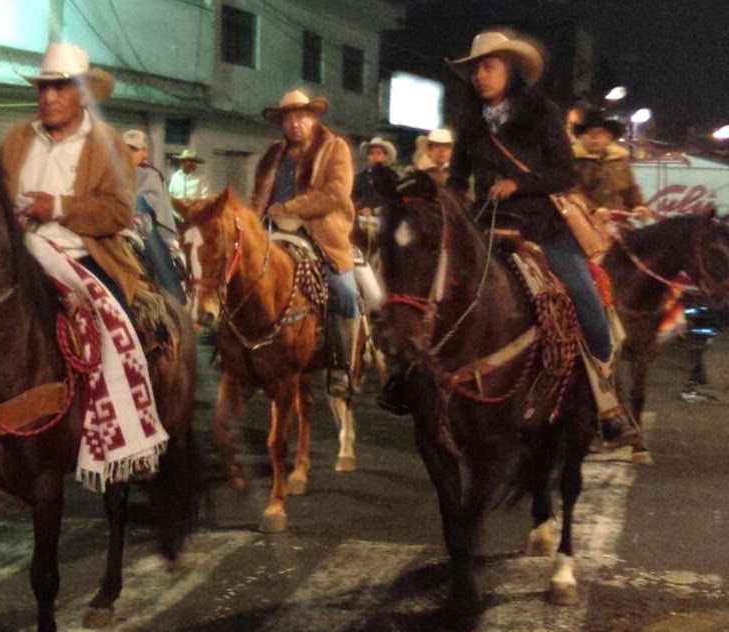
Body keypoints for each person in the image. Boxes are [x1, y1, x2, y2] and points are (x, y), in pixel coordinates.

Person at [382, 31, 639, 445]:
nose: (480, 76)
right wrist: (444, 199)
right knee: (422, 290)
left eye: (489, 66)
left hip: (543, 231)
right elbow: (462, 178)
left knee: (586, 300)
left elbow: (564, 174)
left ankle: (606, 401)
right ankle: (406, 379)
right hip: (485, 230)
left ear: (510, 70)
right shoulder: (470, 121)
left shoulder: (543, 113)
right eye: (475, 69)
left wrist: (517, 185)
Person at [0, 42, 144, 315]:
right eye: (44, 87)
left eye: (60, 87)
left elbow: (120, 211)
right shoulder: (17, 138)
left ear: (84, 94)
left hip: (82, 259)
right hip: (17, 259)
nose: (49, 97)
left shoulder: (108, 143)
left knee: (122, 325)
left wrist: (58, 208)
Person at [251, 88, 360, 396]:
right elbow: (259, 196)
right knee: (239, 275)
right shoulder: (273, 154)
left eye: (302, 116)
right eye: (288, 118)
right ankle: (235, 349)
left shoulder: (334, 148)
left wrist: (290, 208)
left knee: (345, 292)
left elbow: (335, 194)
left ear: (313, 119)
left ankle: (342, 364)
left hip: (319, 233)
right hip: (271, 230)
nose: (295, 123)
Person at [123, 128, 187, 303]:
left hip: (142, 224)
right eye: (125, 148)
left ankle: (177, 299)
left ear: (144, 151)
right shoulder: (109, 171)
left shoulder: (151, 175)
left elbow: (160, 209)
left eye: (134, 149)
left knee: (157, 251)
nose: (128, 153)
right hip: (112, 220)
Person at [572, 107, 653, 222]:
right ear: (581, 137)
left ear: (609, 137)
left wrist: (639, 206)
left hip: (618, 221)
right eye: (589, 134)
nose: (595, 138)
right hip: (585, 223)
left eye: (600, 134)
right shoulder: (572, 161)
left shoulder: (620, 160)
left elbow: (631, 189)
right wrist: (593, 210)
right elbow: (573, 192)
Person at [352, 136, 398, 215]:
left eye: (378, 153)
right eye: (371, 153)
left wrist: (373, 211)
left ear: (385, 157)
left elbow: (394, 202)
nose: (374, 156)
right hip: (360, 219)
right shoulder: (359, 178)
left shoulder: (393, 178)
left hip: (383, 221)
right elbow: (352, 199)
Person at [168, 148, 211, 218]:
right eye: (188, 161)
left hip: (194, 216)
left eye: (193, 161)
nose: (191, 164)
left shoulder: (202, 177)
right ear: (182, 162)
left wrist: (192, 202)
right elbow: (170, 195)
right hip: (176, 216)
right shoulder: (175, 176)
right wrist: (178, 202)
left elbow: (205, 197)